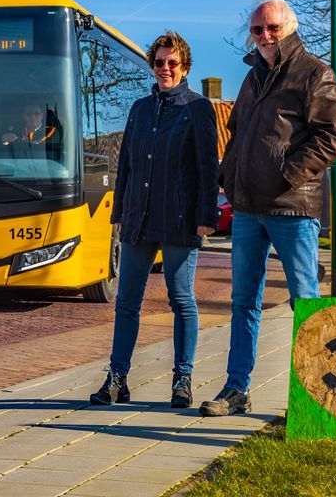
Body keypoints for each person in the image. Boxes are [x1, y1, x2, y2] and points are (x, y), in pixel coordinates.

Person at [199, 0, 336, 417]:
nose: (264, 36)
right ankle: (236, 390)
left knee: (305, 299)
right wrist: (228, 178)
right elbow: (238, 135)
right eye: (257, 29)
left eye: (272, 28)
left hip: (293, 209)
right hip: (247, 210)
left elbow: (333, 137)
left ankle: (316, 396)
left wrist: (284, 175)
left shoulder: (314, 74)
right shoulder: (251, 79)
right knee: (244, 300)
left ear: (289, 28)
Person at [90, 31, 219, 410]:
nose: (165, 68)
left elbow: (208, 168)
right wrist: (119, 214)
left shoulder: (198, 109)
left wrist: (205, 217)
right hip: (138, 218)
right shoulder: (140, 110)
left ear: (185, 68)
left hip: (179, 219)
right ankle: (117, 378)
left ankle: (183, 379)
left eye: (172, 63)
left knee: (182, 299)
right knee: (126, 302)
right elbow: (126, 165)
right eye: (160, 62)